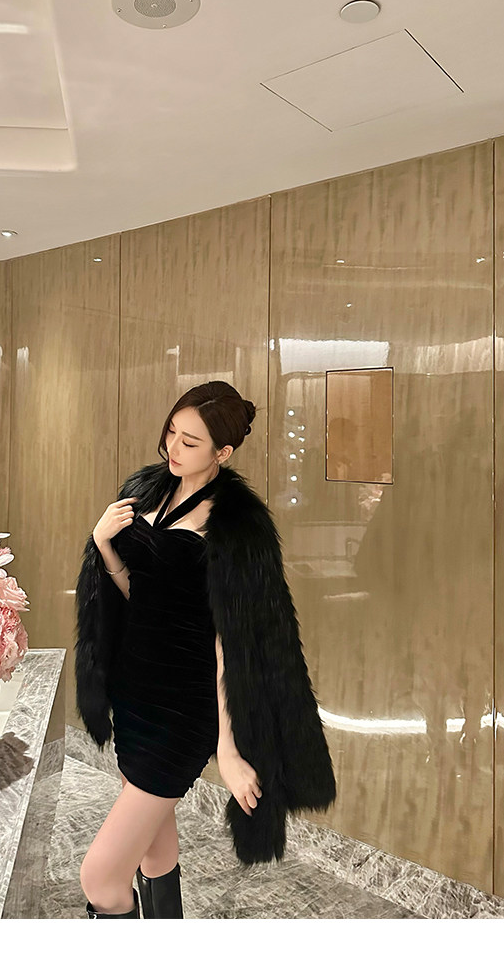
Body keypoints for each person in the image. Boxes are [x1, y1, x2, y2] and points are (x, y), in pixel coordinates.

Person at [75, 381, 336, 919]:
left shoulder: (236, 527)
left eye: (190, 441)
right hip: (134, 695)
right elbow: (140, 595)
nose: (173, 447)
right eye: (172, 431)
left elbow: (230, 644)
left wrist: (229, 749)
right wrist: (103, 543)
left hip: (181, 712)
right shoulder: (148, 490)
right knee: (153, 849)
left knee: (100, 877)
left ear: (224, 452)